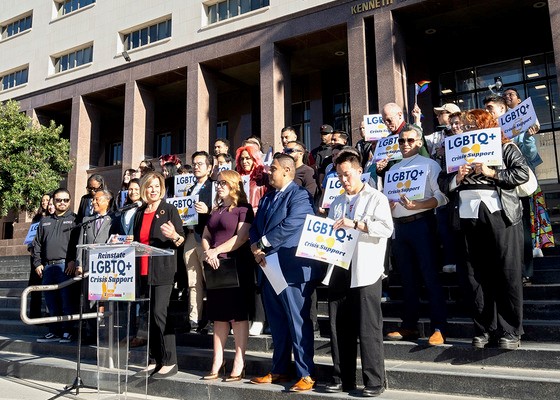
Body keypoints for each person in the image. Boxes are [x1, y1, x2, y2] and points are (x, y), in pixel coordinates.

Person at [438, 109, 529, 350]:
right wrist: (456, 178)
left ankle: (510, 330)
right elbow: (442, 183)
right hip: (467, 215)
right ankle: (484, 328)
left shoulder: (505, 146)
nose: (464, 129)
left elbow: (521, 173)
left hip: (499, 214)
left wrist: (491, 172)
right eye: (463, 126)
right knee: (473, 275)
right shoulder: (454, 151)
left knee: (506, 271)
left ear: (484, 124)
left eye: (470, 125)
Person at [249, 153, 323, 392]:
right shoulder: (268, 197)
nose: (269, 172)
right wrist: (255, 246)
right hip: (268, 267)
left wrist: (263, 244)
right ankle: (279, 369)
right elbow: (256, 226)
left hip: (291, 268)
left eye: (274, 169)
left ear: (287, 171)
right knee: (277, 322)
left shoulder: (300, 195)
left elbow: (294, 223)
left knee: (297, 321)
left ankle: (306, 374)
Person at [323, 149, 393, 397]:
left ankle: (374, 381)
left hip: (366, 268)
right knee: (338, 325)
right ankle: (342, 377)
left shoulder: (376, 197)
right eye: (339, 175)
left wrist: (358, 224)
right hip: (340, 266)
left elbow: (386, 228)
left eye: (347, 174)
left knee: (368, 327)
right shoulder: (338, 202)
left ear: (360, 171)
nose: (343, 180)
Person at [385, 124, 448, 346]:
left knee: (430, 276)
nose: (405, 145)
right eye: (401, 141)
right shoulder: (391, 171)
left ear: (419, 142)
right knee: (407, 279)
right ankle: (409, 325)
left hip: (422, 224)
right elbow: (388, 202)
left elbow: (442, 197)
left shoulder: (430, 165)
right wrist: (389, 208)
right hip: (400, 227)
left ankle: (439, 327)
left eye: (410, 140)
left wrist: (418, 205)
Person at [201, 170, 256, 381]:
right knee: (218, 316)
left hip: (237, 266)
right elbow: (206, 235)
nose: (219, 186)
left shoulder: (244, 209)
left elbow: (241, 238)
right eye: (218, 183)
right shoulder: (216, 210)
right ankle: (218, 360)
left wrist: (216, 250)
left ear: (234, 185)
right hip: (215, 267)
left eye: (223, 182)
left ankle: (240, 361)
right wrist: (208, 251)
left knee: (238, 316)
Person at [133, 171, 185, 378]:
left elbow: (180, 240)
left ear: (162, 188)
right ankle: (154, 359)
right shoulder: (139, 213)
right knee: (149, 316)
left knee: (160, 314)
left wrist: (174, 236)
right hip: (143, 270)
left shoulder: (169, 209)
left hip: (163, 269)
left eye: (157, 186)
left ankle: (170, 361)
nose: (153, 190)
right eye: (149, 186)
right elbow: (138, 241)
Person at [502, 88, 554, 278]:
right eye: (505, 95)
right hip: (508, 177)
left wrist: (529, 136)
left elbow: (529, 152)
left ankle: (536, 243)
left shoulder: (526, 115)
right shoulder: (502, 121)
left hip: (526, 174)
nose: (508, 97)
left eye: (511, 95)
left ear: (519, 99)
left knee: (533, 210)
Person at [32, 188, 78, 343]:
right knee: (51, 302)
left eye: (66, 200)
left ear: (70, 201)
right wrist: (37, 263)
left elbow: (77, 244)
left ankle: (67, 331)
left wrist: (73, 260)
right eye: (59, 200)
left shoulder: (74, 220)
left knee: (66, 300)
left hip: (65, 266)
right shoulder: (44, 221)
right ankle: (54, 331)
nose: (62, 203)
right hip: (48, 267)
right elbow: (36, 244)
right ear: (53, 201)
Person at [75, 189, 119, 343]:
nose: (93, 202)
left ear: (106, 201)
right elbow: (81, 243)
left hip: (106, 267)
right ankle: (91, 333)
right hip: (88, 267)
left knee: (104, 300)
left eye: (96, 199)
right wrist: (79, 264)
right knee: (89, 302)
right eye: (93, 200)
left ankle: (106, 334)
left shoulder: (114, 219)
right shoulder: (87, 220)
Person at [184, 151, 214, 331]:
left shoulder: (214, 186)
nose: (196, 167)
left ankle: (213, 317)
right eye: (194, 163)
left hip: (206, 237)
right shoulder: (189, 189)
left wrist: (208, 210)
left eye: (200, 164)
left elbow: (220, 211)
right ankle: (194, 318)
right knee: (192, 281)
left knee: (209, 279)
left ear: (209, 168)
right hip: (189, 235)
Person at [27, 193, 51, 319]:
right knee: (34, 286)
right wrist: (31, 248)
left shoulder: (52, 217)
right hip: (35, 256)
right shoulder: (36, 218)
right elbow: (30, 237)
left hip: (47, 256)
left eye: (47, 200)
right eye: (42, 200)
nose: (44, 202)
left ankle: (48, 314)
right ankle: (34, 314)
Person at [235, 145, 269, 213]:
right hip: (239, 215)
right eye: (242, 159)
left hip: (256, 217)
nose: (244, 162)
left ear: (255, 159)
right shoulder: (237, 178)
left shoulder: (264, 178)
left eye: (248, 158)